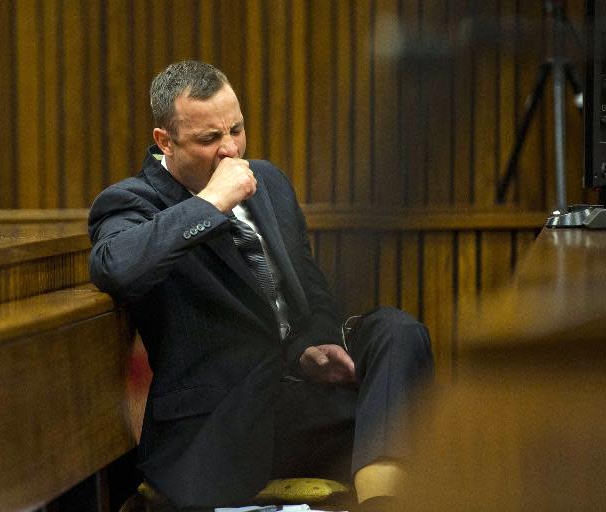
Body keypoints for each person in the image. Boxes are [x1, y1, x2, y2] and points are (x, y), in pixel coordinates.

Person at [88, 60, 433, 510]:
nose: (230, 150)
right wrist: (211, 203)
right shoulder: (132, 200)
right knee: (402, 415)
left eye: (236, 129)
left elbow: (311, 292)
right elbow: (115, 266)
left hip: (297, 395)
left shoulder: (268, 182)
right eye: (209, 139)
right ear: (164, 142)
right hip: (223, 422)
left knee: (397, 330)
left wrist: (316, 343)